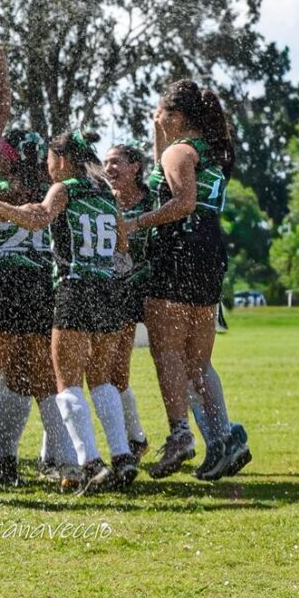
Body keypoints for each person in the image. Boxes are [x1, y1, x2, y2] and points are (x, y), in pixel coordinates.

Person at [0, 129, 135, 494]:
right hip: (108, 289)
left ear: (61, 160)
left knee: (67, 383)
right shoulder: (106, 193)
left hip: (75, 288)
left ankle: (91, 463)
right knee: (102, 380)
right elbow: (122, 244)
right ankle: (123, 455)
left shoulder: (63, 189)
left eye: (49, 158)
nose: (46, 165)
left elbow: (38, 219)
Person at [124, 79, 251, 480]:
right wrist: (157, 130)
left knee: (168, 353)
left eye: (161, 112)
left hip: (178, 253)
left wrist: (136, 223)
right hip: (209, 254)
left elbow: (182, 202)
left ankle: (181, 434)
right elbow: (167, 172)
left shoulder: (179, 152)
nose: (157, 117)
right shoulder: (210, 151)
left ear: (176, 116)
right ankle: (224, 440)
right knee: (199, 361)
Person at [0, 129, 78, 489]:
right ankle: (67, 466)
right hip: (42, 289)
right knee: (45, 384)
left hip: (1, 288)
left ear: (7, 158)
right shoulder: (54, 193)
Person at [103, 143, 155, 459]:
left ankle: (182, 436)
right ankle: (135, 438)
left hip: (149, 290)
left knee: (174, 363)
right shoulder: (103, 200)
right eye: (106, 162)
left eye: (116, 162)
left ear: (135, 167)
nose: (109, 168)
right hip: (115, 293)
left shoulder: (153, 200)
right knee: (114, 371)